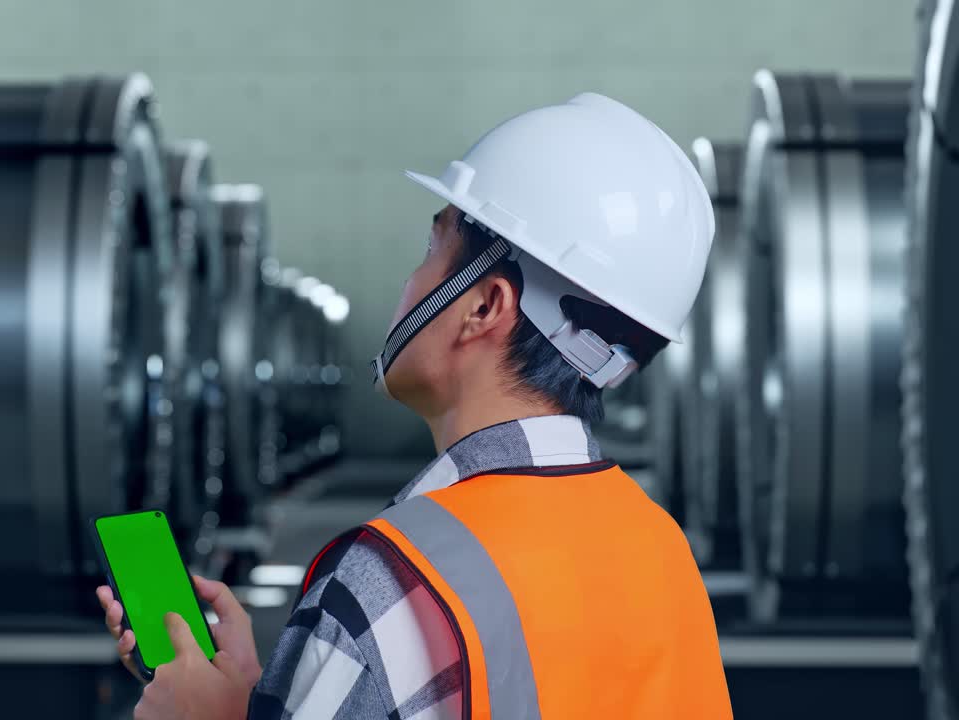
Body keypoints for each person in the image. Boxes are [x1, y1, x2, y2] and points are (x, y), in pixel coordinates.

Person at [97, 92, 733, 719]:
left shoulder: (394, 582)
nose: (410, 282)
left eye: (433, 249)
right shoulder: (660, 548)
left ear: (484, 306)